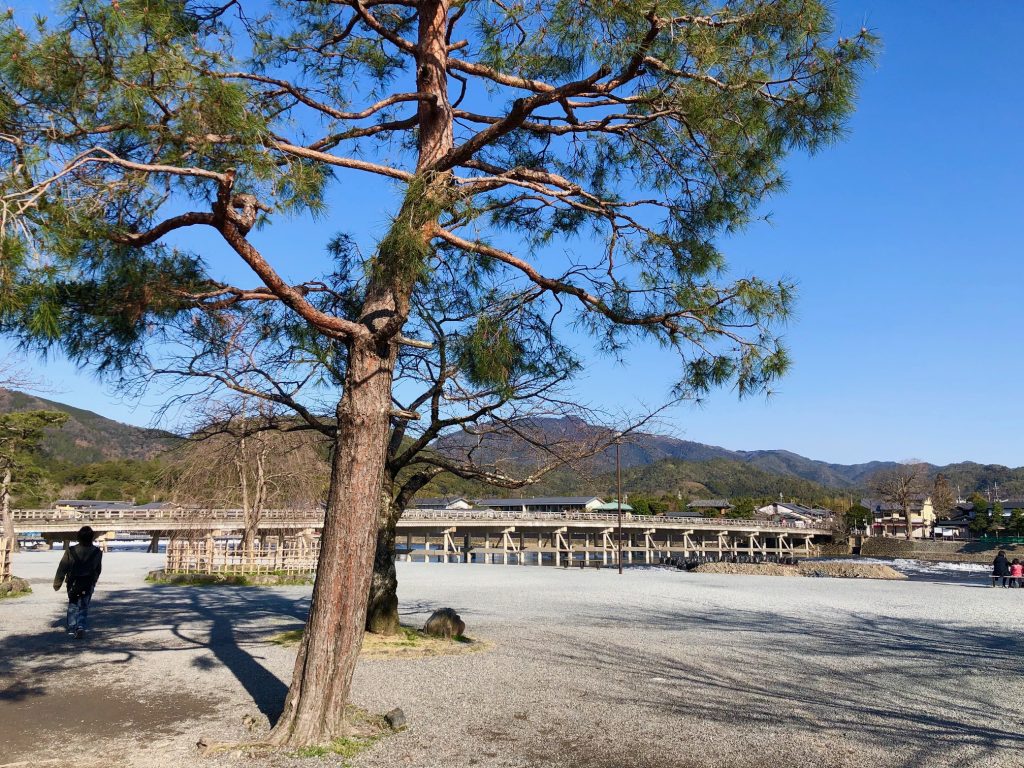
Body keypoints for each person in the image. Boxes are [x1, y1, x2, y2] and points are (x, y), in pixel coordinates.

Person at [53, 526, 103, 639]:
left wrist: (57, 583)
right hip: (88, 582)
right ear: (92, 537)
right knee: (84, 606)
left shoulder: (71, 551)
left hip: (73, 581)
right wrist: (94, 580)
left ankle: (71, 627)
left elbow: (62, 567)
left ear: (78, 537)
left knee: (73, 604)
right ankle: (80, 626)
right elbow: (98, 569)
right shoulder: (97, 552)